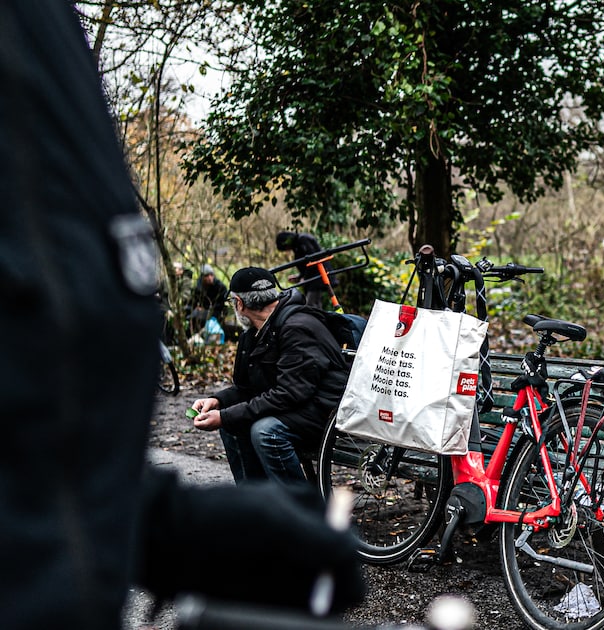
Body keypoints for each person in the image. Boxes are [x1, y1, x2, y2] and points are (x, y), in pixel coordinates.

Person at [0, 3, 362, 628]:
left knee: (258, 428)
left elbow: (41, 434)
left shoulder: (44, 28)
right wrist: (227, 406)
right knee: (249, 425)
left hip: (85, 590)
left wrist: (172, 528)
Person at [191, 267, 350, 485]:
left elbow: (289, 393)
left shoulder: (298, 327)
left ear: (239, 304)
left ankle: (299, 504)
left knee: (265, 431)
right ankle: (257, 499)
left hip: (326, 410)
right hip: (297, 405)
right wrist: (218, 401)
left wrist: (225, 416)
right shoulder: (255, 332)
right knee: (232, 422)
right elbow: (248, 388)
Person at [276, 230, 329, 308]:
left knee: (311, 305)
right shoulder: (298, 244)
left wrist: (304, 277)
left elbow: (313, 260)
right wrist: (299, 277)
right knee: (314, 304)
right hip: (313, 278)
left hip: (317, 277)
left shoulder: (302, 240)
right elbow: (306, 264)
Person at [186, 263, 228, 335]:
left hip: (216, 312)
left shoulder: (220, 287)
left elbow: (221, 304)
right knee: (190, 318)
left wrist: (207, 310)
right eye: (207, 276)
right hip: (201, 311)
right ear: (202, 277)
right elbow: (192, 301)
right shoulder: (198, 287)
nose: (210, 278)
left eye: (211, 275)